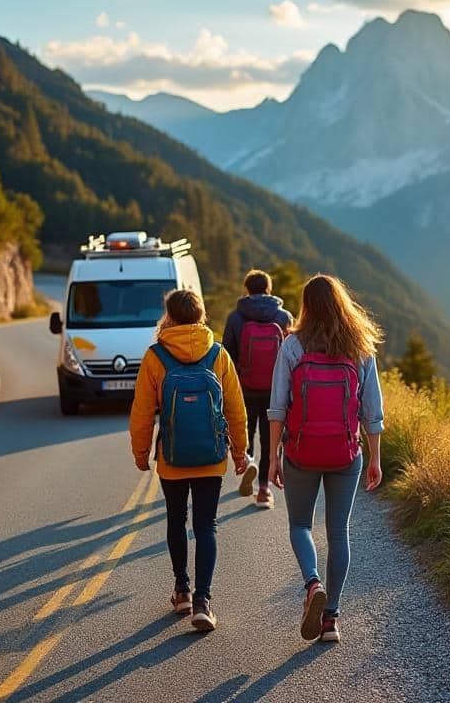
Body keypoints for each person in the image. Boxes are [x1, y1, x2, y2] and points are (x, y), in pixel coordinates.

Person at [268, 274, 385, 643]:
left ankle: (312, 583)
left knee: (300, 525)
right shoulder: (359, 345)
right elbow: (372, 411)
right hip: (345, 453)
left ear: (306, 305)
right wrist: (375, 459)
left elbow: (277, 407)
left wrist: (272, 457)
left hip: (301, 452)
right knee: (338, 532)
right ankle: (331, 618)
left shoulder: (293, 346)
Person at [130, 289, 248, 632]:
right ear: (201, 316)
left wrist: (141, 453)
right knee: (206, 526)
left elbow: (142, 412)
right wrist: (239, 451)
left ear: (169, 317)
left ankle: (181, 591)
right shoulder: (217, 353)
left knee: (176, 520)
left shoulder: (155, 356)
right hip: (211, 457)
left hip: (172, 458)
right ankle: (203, 601)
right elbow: (235, 408)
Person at [222, 269, 294, 509]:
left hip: (244, 387)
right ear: (269, 289)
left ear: (247, 289)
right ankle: (264, 490)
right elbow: (293, 355)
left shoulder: (235, 317)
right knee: (269, 438)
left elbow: (227, 354)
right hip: (276, 389)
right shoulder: (284, 317)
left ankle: (248, 462)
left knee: (245, 429)